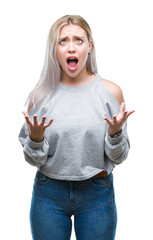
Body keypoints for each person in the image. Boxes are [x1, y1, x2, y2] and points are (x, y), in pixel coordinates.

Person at [18, 15, 134, 240]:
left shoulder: (111, 93)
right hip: (49, 194)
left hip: (97, 194)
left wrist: (115, 133)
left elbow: (118, 158)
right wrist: (35, 138)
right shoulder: (39, 97)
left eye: (78, 40)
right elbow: (34, 160)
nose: (71, 48)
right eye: (63, 41)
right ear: (54, 49)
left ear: (89, 46)